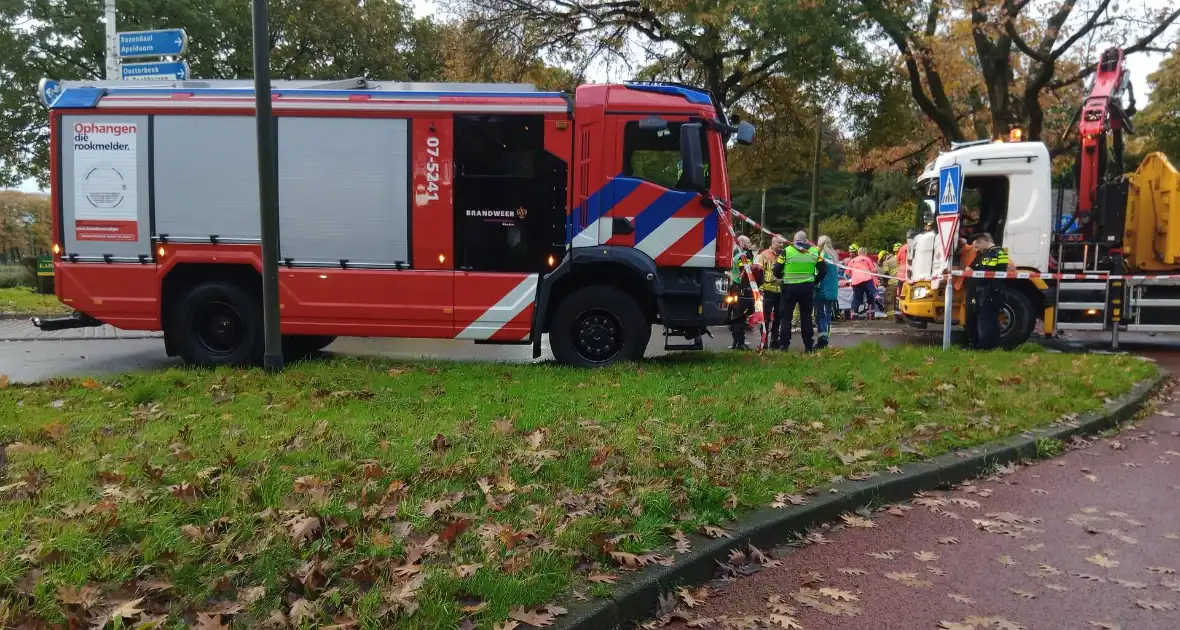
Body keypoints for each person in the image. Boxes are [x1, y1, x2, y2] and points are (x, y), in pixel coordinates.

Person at [773, 230, 826, 352]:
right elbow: (823, 270)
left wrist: (782, 277)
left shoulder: (787, 251)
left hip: (789, 288)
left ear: (794, 240)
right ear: (806, 240)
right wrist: (814, 281)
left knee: (786, 317)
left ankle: (784, 345)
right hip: (807, 288)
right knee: (806, 317)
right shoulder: (814, 252)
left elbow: (776, 270)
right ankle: (808, 346)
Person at [969, 232, 1010, 350]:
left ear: (983, 241)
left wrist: (974, 271)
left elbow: (985, 272)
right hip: (996, 290)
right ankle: (994, 345)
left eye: (977, 246)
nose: (977, 250)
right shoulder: (1001, 252)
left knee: (985, 319)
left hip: (987, 291)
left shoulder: (991, 254)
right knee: (993, 319)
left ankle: (984, 347)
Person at [756, 236, 786, 348]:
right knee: (765, 318)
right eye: (779, 243)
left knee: (778, 317)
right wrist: (760, 287)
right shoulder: (764, 255)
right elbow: (759, 272)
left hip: (780, 291)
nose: (781, 245)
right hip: (767, 290)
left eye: (782, 244)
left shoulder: (784, 255)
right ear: (773, 243)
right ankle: (764, 341)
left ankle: (774, 340)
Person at [729, 235, 756, 349]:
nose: (750, 245)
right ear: (742, 244)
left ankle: (736, 341)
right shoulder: (742, 256)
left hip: (736, 287)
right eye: (749, 242)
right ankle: (740, 342)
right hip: (742, 288)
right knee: (740, 317)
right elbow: (745, 272)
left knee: (736, 316)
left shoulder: (736, 255)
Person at [814, 235, 840, 349]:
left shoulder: (821, 256)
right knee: (828, 315)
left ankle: (823, 340)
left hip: (823, 289)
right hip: (833, 289)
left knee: (821, 315)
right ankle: (827, 338)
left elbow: (818, 272)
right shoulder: (834, 256)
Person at [847, 247, 877, 319]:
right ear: (866, 253)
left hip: (856, 281)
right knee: (870, 295)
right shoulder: (867, 259)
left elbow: (847, 272)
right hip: (866, 279)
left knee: (856, 298)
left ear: (858, 253)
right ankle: (870, 311)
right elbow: (873, 270)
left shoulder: (852, 260)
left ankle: (854, 313)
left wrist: (854, 275)